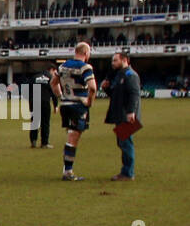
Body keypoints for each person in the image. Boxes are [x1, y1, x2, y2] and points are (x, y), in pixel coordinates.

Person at [51, 42, 97, 181]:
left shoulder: (62, 66)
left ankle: (67, 169)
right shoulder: (85, 67)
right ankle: (68, 171)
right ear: (85, 53)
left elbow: (53, 83)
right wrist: (89, 102)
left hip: (65, 105)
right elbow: (93, 87)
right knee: (73, 138)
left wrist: (60, 97)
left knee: (71, 134)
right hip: (78, 105)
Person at [103, 51, 141, 180]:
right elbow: (115, 95)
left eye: (115, 60)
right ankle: (126, 171)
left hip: (127, 115)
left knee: (126, 144)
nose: (113, 63)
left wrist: (131, 112)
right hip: (120, 115)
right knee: (122, 143)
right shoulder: (119, 75)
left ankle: (127, 173)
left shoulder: (130, 75)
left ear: (124, 60)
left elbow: (134, 94)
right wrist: (106, 88)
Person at [29, 67, 57, 148]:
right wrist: (55, 105)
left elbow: (28, 90)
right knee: (45, 123)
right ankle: (44, 143)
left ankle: (33, 141)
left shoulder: (34, 77)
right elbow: (53, 92)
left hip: (34, 102)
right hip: (45, 102)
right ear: (51, 69)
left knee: (34, 122)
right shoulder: (50, 78)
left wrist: (30, 101)